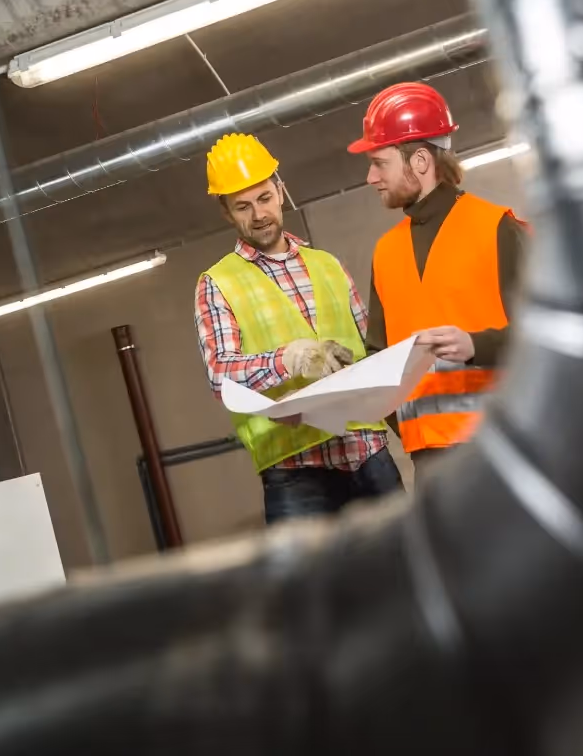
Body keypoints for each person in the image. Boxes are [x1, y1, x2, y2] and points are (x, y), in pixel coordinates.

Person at [194, 132, 402, 524]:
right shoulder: (218, 283)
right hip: (294, 469)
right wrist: (288, 360)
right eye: (243, 206)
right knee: (315, 587)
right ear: (225, 212)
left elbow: (371, 351)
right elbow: (220, 376)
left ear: (281, 189)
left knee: (405, 573)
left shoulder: (327, 264)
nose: (258, 214)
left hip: (365, 450)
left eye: (265, 198)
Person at [351, 81, 528, 469]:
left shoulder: (496, 227)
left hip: (503, 448)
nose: (371, 177)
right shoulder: (385, 252)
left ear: (420, 161)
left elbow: (548, 336)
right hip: (429, 461)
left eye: (380, 163)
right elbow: (380, 357)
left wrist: (474, 346)